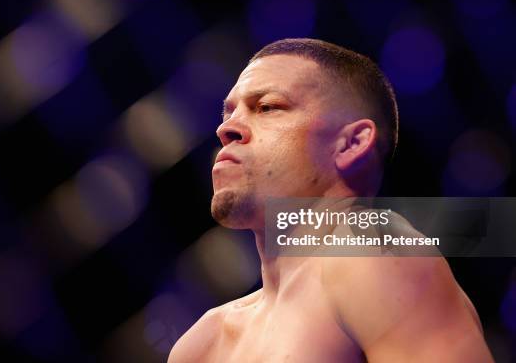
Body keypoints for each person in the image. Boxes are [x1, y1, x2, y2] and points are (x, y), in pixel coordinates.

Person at [168, 39, 493, 362]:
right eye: (228, 112)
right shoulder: (204, 343)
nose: (227, 129)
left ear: (351, 143)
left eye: (267, 107)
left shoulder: (378, 256)